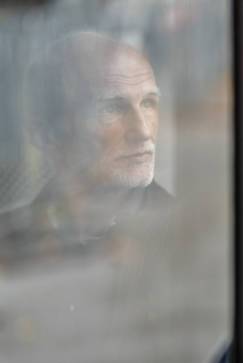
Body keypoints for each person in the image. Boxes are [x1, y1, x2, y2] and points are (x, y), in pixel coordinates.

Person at [0, 31, 171, 263]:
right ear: (45, 133)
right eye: (112, 108)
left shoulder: (186, 238)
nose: (142, 131)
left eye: (149, 103)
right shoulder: (11, 244)